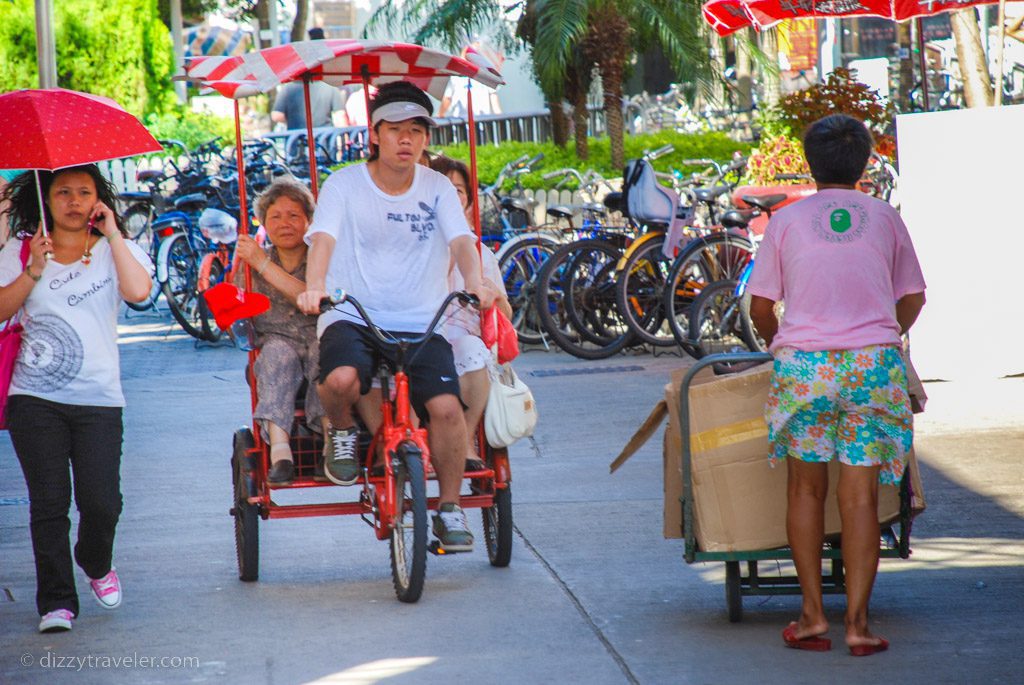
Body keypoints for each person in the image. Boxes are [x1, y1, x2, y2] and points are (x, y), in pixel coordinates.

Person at [746, 114, 926, 657]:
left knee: (805, 490)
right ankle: (858, 625)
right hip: (873, 366)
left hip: (806, 369)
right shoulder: (885, 217)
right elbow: (914, 296)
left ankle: (810, 617)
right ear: (866, 161)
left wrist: (788, 343)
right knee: (861, 499)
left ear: (810, 162)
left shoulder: (786, 222)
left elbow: (759, 307)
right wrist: (881, 331)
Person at [297, 81, 496, 553]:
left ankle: (449, 510)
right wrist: (315, 287)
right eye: (395, 130)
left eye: (416, 130)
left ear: (426, 137)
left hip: (421, 318)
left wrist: (475, 281)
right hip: (354, 313)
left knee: (447, 410)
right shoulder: (345, 184)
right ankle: (342, 429)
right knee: (342, 378)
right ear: (374, 133)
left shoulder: (437, 188)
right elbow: (322, 238)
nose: (406, 139)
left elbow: (462, 242)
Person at [0, 166, 153, 633]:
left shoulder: (113, 249)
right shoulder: (22, 249)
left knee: (102, 502)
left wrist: (113, 235)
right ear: (47, 198)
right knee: (49, 504)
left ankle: (96, 561)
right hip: (34, 397)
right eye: (63, 192)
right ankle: (57, 603)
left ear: (98, 199)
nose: (73, 201)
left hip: (100, 398)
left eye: (84, 192)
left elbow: (139, 291)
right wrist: (32, 272)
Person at [233, 179, 327, 486]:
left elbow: (310, 298)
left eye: (294, 216)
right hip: (275, 340)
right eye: (275, 217)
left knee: (325, 354)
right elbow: (233, 304)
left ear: (308, 221)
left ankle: (329, 441)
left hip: (317, 335)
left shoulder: (319, 258)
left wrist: (261, 264)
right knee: (276, 355)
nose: (284, 224)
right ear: (264, 222)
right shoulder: (252, 261)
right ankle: (281, 451)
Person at [429, 155, 512, 466]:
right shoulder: (410, 246)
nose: (452, 197)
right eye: (444, 189)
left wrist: (491, 296)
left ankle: (465, 439)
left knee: (474, 349)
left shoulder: (480, 251)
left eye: (459, 191)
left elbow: (506, 316)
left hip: (463, 339)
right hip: (419, 335)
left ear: (467, 201)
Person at [270, 28, 346, 130]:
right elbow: (340, 116)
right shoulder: (330, 87)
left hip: (297, 139)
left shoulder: (288, 89)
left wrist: (293, 121)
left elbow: (276, 115)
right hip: (323, 140)